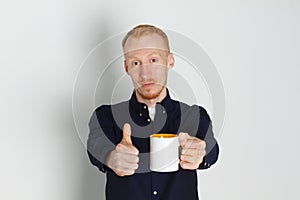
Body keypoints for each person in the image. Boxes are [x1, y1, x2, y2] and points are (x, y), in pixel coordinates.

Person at [87, 24, 219, 200]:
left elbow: (211, 149)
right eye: (136, 63)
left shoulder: (194, 116)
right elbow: (97, 147)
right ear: (127, 68)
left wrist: (200, 153)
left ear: (170, 61)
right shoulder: (106, 116)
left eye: (153, 60)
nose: (145, 73)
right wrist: (112, 158)